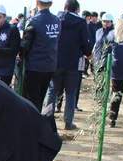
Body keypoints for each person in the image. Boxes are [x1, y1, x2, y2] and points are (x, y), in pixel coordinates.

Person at [43, 0, 92, 131]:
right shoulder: (81, 22)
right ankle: (68, 121)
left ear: (64, 8)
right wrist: (88, 54)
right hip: (73, 62)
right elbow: (85, 42)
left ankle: (47, 118)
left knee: (52, 90)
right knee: (70, 92)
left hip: (56, 61)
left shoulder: (55, 19)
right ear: (77, 9)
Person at [19, 0, 61, 112]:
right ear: (51, 4)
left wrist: (21, 54)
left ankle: (34, 125)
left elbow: (25, 44)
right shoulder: (56, 20)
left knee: (32, 100)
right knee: (41, 97)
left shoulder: (34, 21)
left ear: (37, 3)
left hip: (34, 66)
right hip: (50, 66)